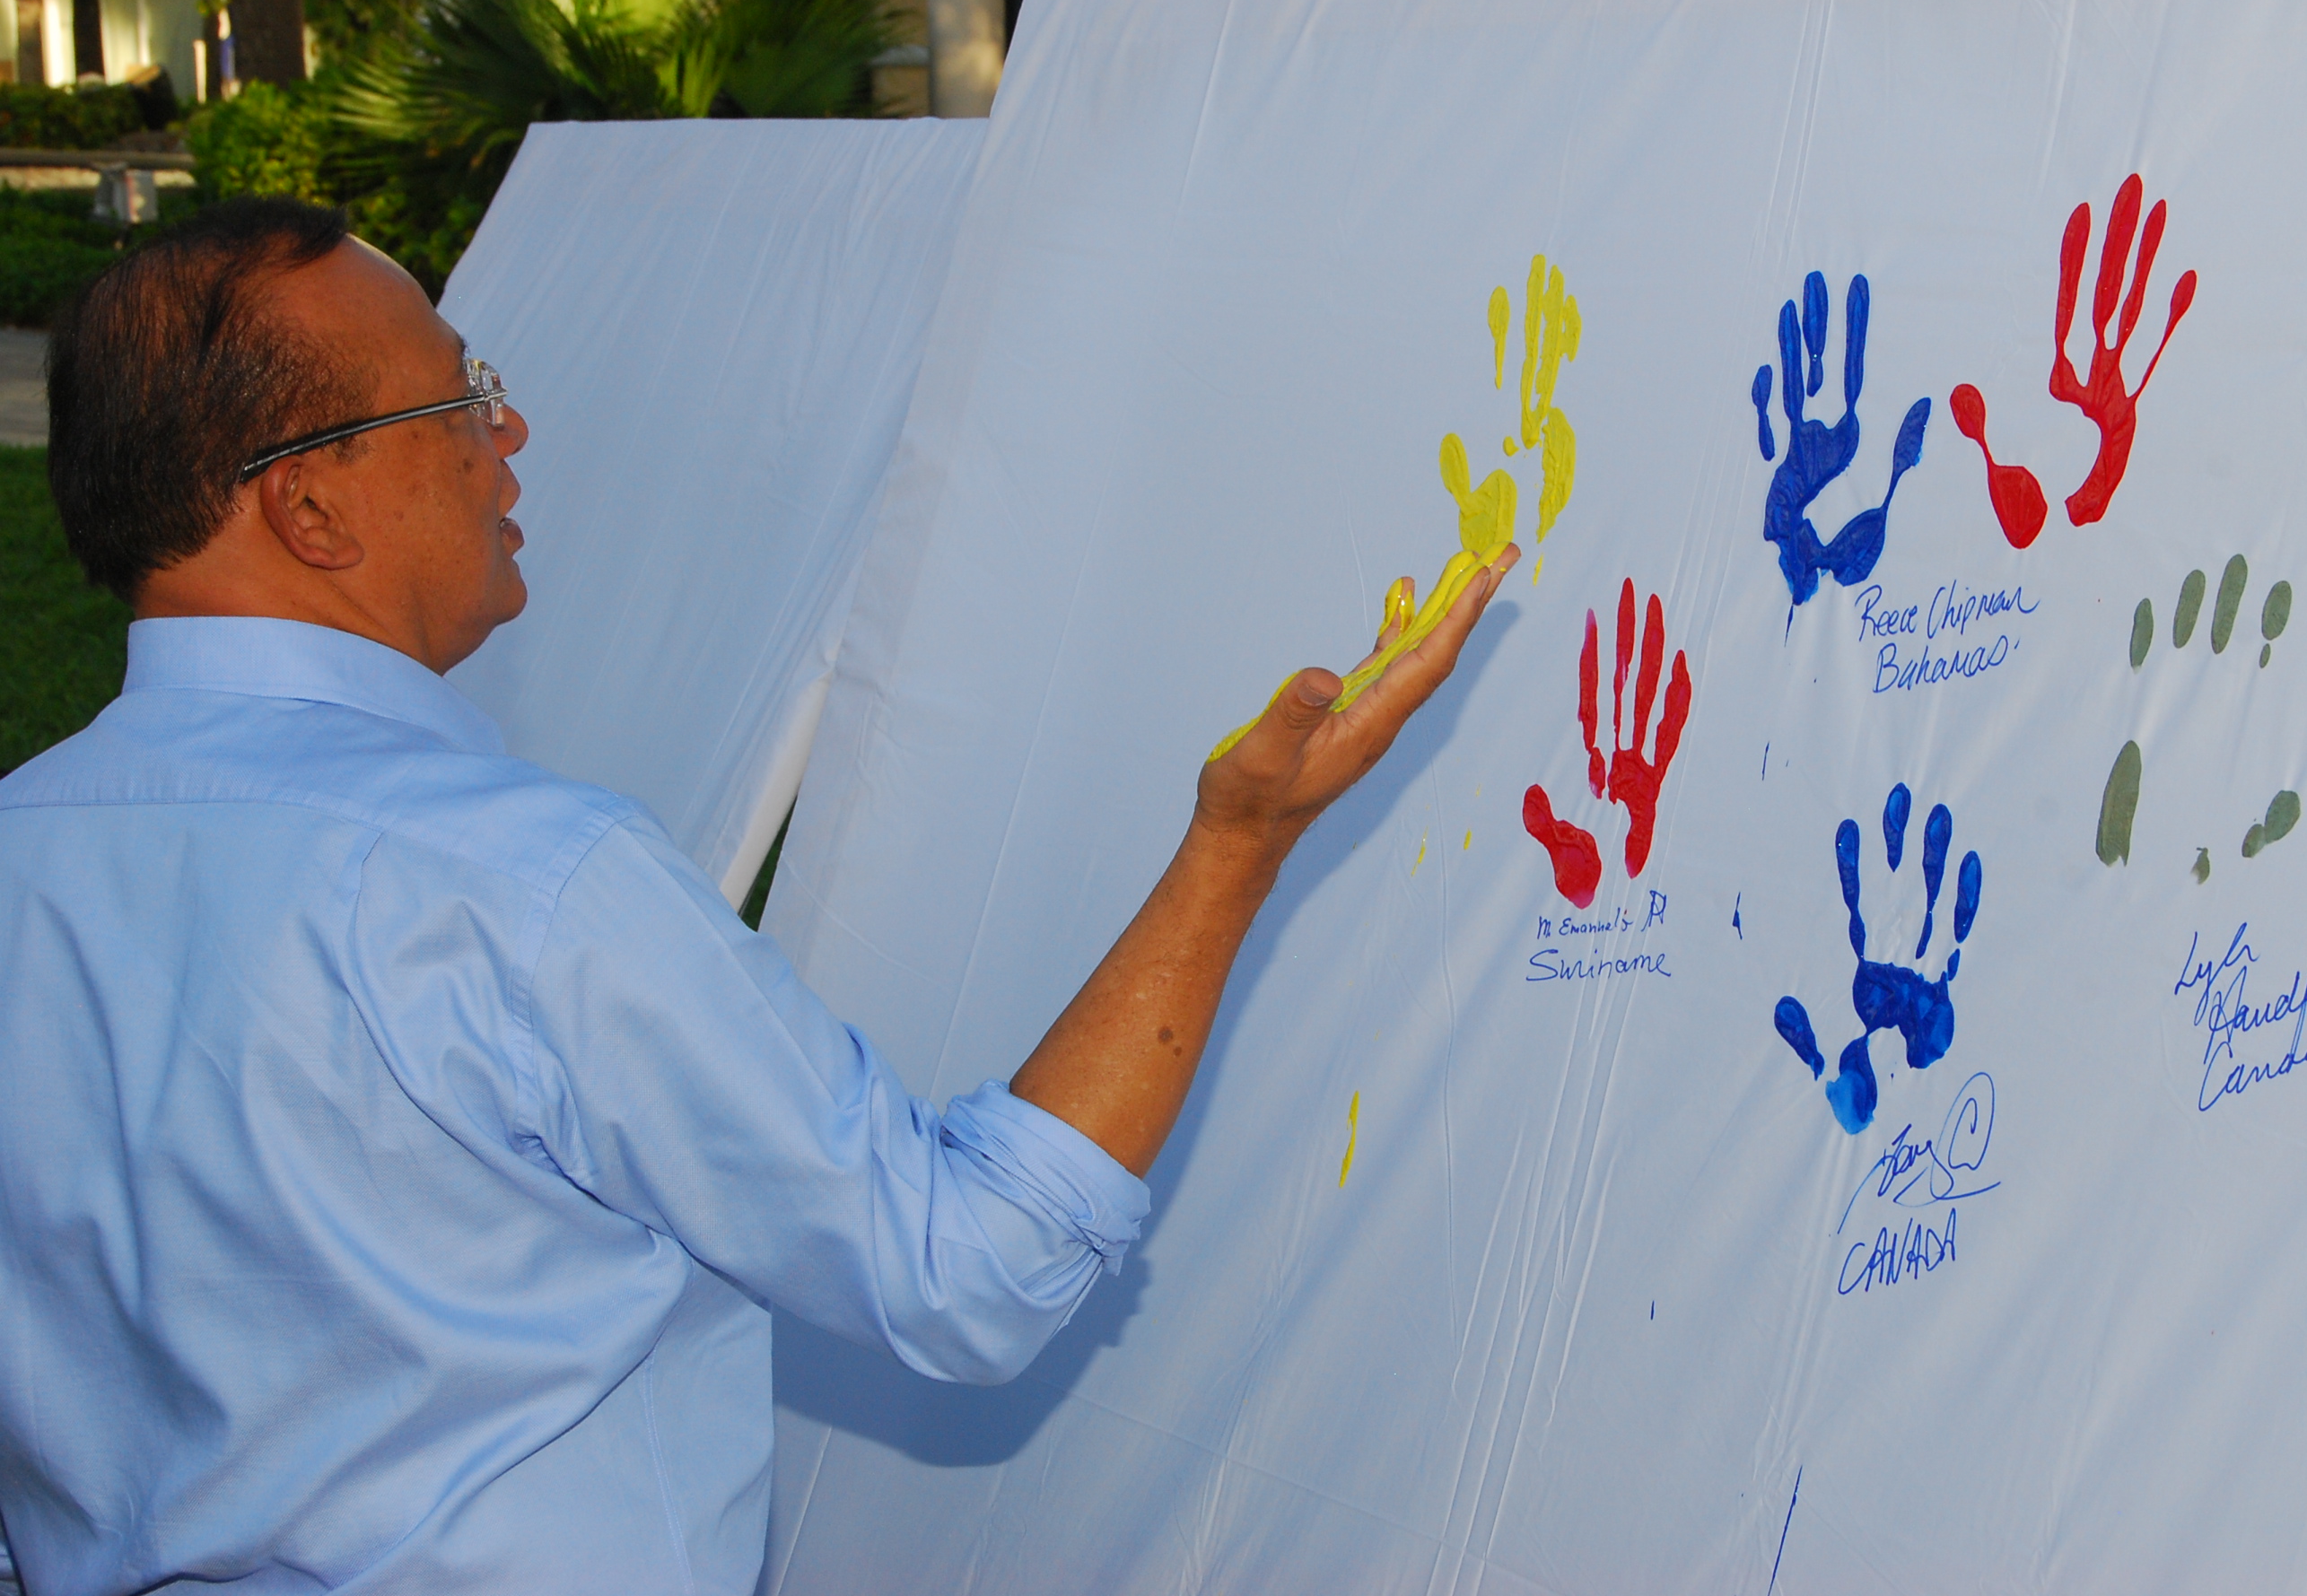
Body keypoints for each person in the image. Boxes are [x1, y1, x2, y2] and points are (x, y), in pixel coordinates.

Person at [0, 199, 1516, 1594]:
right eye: (459, 397)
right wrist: (1236, 846)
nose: (507, 430)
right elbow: (965, 1270)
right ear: (311, 512)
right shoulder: (518, 883)